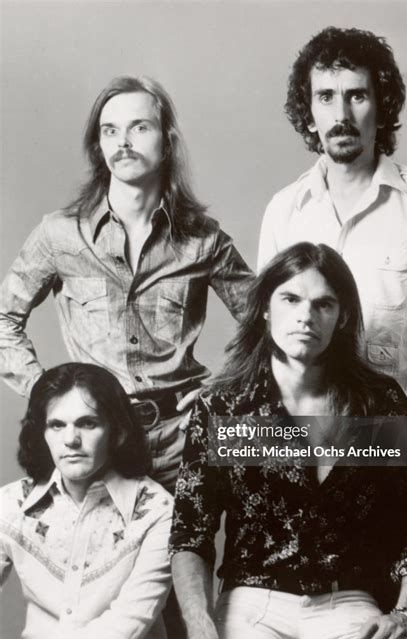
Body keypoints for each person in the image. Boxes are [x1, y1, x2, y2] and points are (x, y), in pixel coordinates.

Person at [170, 243, 407, 639]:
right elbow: (191, 535)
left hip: (349, 604)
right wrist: (202, 632)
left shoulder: (378, 402)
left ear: (343, 317)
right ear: (264, 307)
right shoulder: (224, 407)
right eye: (291, 299)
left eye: (324, 305)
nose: (306, 316)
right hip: (252, 605)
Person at [0, 74, 253, 495]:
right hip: (98, 444)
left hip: (184, 441)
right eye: (110, 130)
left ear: (167, 141)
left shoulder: (203, 239)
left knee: (185, 557)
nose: (124, 142)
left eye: (140, 127)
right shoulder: (60, 235)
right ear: (98, 146)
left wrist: (226, 390)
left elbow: (270, 320)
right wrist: (49, 396)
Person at [258, 26, 407, 504]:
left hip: (392, 451)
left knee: (393, 581)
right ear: (308, 113)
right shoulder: (285, 210)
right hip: (299, 455)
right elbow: (265, 340)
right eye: (325, 97)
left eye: (357, 96)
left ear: (382, 106)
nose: (340, 114)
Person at [0, 363, 173, 639]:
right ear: (42, 433)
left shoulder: (158, 510)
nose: (71, 440)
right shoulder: (10, 503)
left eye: (88, 423)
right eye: (57, 425)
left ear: (117, 432)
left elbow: (118, 635)